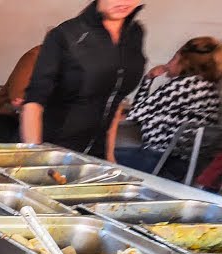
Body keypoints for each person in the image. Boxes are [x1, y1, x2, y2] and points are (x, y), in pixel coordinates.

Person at [21, 0, 146, 160]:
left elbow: (115, 100)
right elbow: (33, 102)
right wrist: (35, 159)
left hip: (96, 157)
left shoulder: (135, 34)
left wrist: (109, 156)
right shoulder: (65, 35)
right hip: (53, 151)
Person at [115, 37, 222, 176]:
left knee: (97, 154)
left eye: (174, 58)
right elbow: (142, 110)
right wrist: (148, 80)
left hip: (158, 161)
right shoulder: (212, 92)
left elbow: (133, 116)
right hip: (187, 166)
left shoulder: (180, 86)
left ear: (185, 61)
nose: (168, 63)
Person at [0, 45, 41, 143]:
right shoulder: (34, 56)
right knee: (21, 140)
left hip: (29, 118)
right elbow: (17, 98)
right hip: (0, 116)